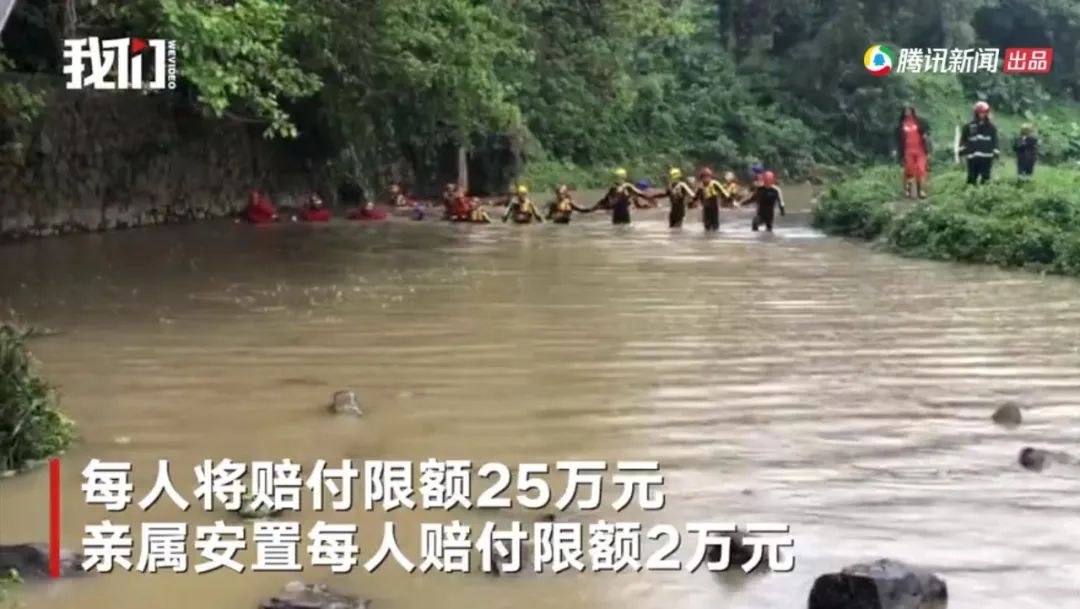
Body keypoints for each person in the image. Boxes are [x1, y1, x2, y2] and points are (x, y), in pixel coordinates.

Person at [959, 101, 999, 185]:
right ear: (976, 113)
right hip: (973, 157)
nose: (982, 115)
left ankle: (983, 195)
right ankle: (970, 193)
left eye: (984, 113)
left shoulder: (991, 128)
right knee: (971, 178)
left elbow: (995, 142)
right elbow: (963, 141)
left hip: (987, 157)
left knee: (985, 178)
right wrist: (962, 153)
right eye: (980, 113)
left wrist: (996, 153)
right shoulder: (968, 127)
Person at [897, 106, 931, 198]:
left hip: (920, 150)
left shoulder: (918, 122)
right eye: (906, 110)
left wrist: (927, 146)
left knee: (921, 170)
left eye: (909, 110)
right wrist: (898, 152)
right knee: (909, 170)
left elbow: (926, 133)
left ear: (912, 111)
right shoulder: (901, 125)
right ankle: (908, 190)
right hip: (908, 151)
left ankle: (921, 191)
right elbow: (898, 139)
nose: (908, 112)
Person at [692, 167, 729, 232]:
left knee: (715, 224)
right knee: (706, 225)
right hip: (706, 208)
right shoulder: (701, 186)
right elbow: (696, 197)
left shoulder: (715, 184)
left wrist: (730, 201)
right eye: (704, 177)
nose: (706, 179)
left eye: (708, 177)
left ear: (710, 177)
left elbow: (724, 193)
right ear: (702, 178)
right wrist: (692, 203)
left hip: (714, 208)